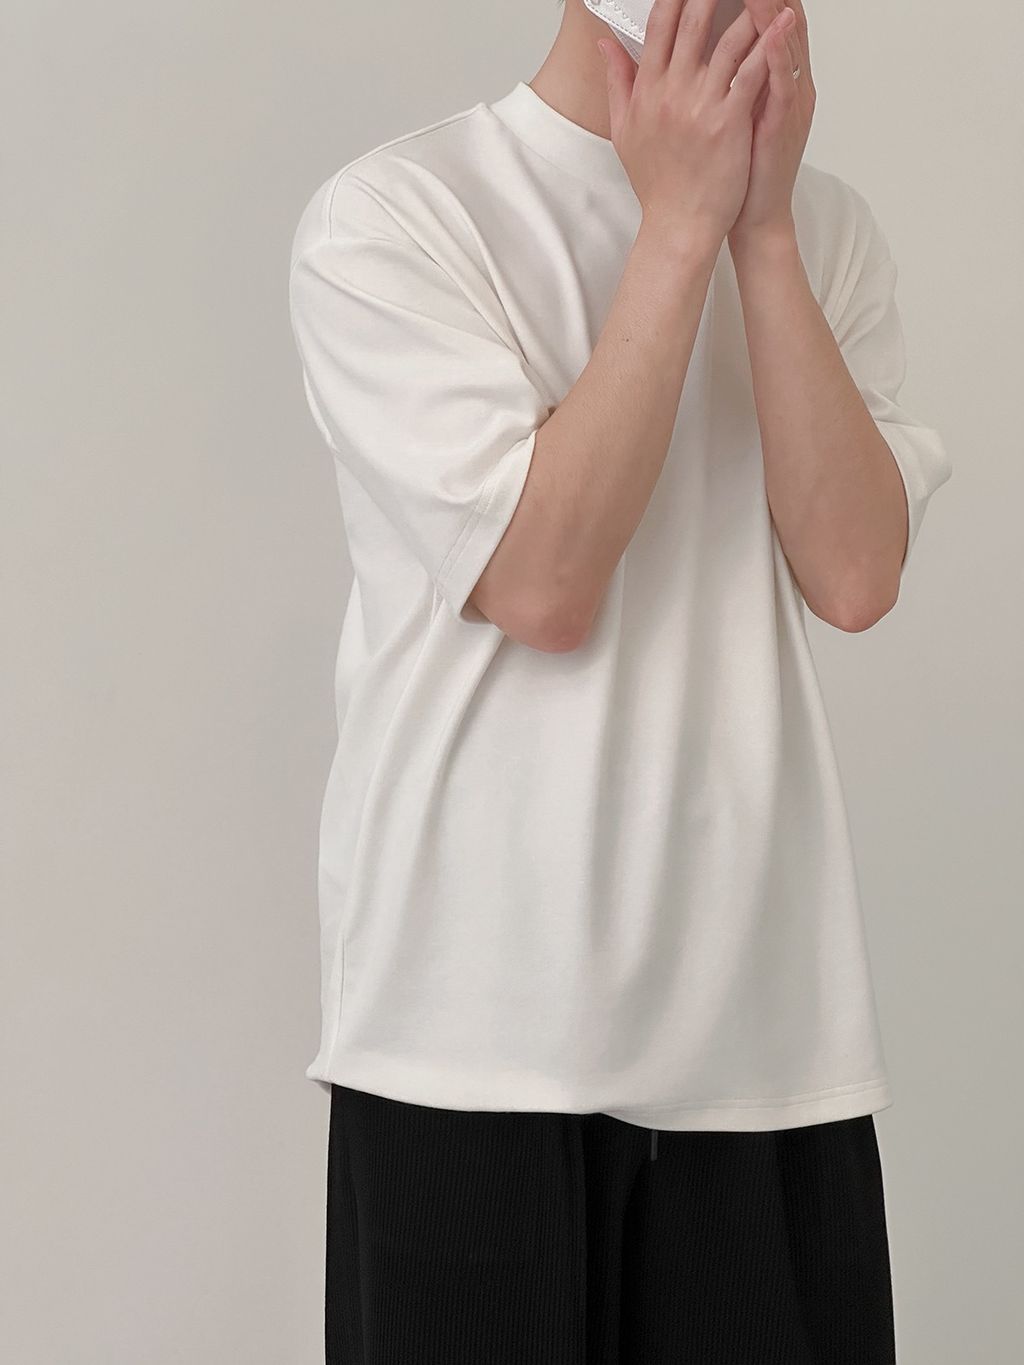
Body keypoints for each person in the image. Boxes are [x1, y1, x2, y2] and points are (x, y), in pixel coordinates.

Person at [287, 0, 951, 1358]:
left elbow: (855, 573)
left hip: (763, 1047)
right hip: (469, 1047)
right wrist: (679, 226)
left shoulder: (824, 232)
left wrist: (762, 233)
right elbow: (542, 582)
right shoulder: (401, 217)